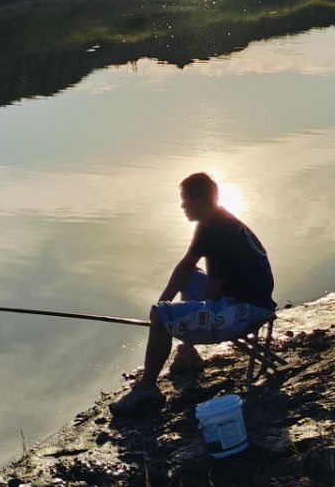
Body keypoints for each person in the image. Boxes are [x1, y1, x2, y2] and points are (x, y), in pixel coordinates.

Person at [110, 171, 275, 419]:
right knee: (171, 299)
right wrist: (163, 304)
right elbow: (187, 265)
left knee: (162, 317)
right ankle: (187, 354)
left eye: (185, 200)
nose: (182, 206)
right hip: (239, 298)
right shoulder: (210, 223)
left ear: (198, 202)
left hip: (245, 310)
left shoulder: (222, 233)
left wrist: (167, 320)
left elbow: (213, 293)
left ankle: (146, 390)